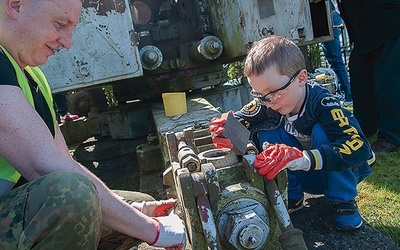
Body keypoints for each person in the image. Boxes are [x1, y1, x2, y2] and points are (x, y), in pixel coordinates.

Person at [0, 0, 186, 248]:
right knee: (74, 197)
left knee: (137, 204)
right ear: (15, 5)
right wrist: (153, 231)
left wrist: (137, 213)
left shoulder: (33, 76)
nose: (67, 42)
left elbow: (62, 160)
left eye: (71, 29)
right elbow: (44, 165)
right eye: (59, 24)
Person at [210, 36, 375, 231]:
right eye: (258, 94)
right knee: (267, 134)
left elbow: (361, 148)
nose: (268, 101)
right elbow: (240, 120)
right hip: (305, 176)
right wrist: (226, 130)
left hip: (335, 172)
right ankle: (291, 196)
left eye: (274, 92)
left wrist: (304, 158)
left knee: (322, 132)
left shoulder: (323, 103)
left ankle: (344, 201)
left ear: (301, 78)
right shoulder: (267, 101)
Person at [335, 0, 400, 152]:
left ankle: (392, 136)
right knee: (360, 74)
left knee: (387, 79)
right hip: (363, 24)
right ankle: (364, 127)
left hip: (386, 17)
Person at [321, 0, 352, 105]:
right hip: (330, 19)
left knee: (335, 60)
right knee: (334, 60)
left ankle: (347, 95)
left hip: (329, 20)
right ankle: (344, 93)